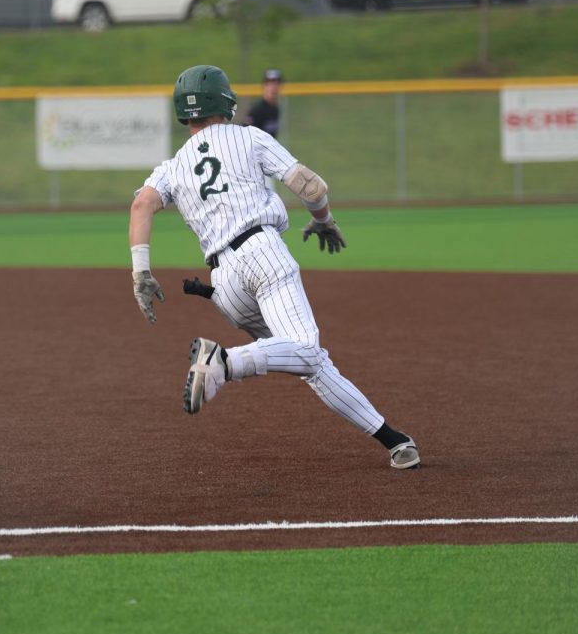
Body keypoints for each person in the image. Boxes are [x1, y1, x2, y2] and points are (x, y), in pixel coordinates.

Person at [128, 65, 419, 469]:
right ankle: (222, 362)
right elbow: (311, 186)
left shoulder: (172, 166)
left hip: (224, 285)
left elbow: (142, 204)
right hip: (263, 255)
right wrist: (323, 220)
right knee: (303, 349)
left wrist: (141, 273)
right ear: (225, 101)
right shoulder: (248, 137)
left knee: (311, 361)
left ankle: (394, 441)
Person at [245, 68, 283, 139]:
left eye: (277, 84)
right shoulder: (257, 110)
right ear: (264, 86)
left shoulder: (275, 109)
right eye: (270, 84)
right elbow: (246, 135)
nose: (274, 87)